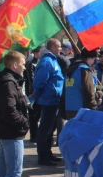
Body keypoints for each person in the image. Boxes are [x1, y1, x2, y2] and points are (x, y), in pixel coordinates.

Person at [32, 38, 64, 167]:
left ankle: (48, 153)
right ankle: (43, 156)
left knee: (50, 129)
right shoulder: (46, 62)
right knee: (45, 128)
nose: (60, 49)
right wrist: (37, 97)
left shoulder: (53, 60)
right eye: (59, 46)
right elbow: (40, 81)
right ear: (53, 47)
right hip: (48, 100)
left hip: (54, 99)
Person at [60, 48, 98, 120]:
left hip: (69, 108)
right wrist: (93, 106)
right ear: (89, 59)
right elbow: (88, 90)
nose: (94, 62)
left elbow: (65, 90)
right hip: (82, 109)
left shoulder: (71, 70)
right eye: (94, 59)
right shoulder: (84, 69)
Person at [24, 46, 41, 143]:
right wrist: (33, 91)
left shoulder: (40, 63)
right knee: (33, 115)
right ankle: (33, 135)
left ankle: (36, 133)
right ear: (35, 53)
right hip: (32, 92)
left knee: (37, 114)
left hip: (37, 92)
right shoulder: (31, 64)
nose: (40, 54)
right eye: (38, 52)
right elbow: (31, 79)